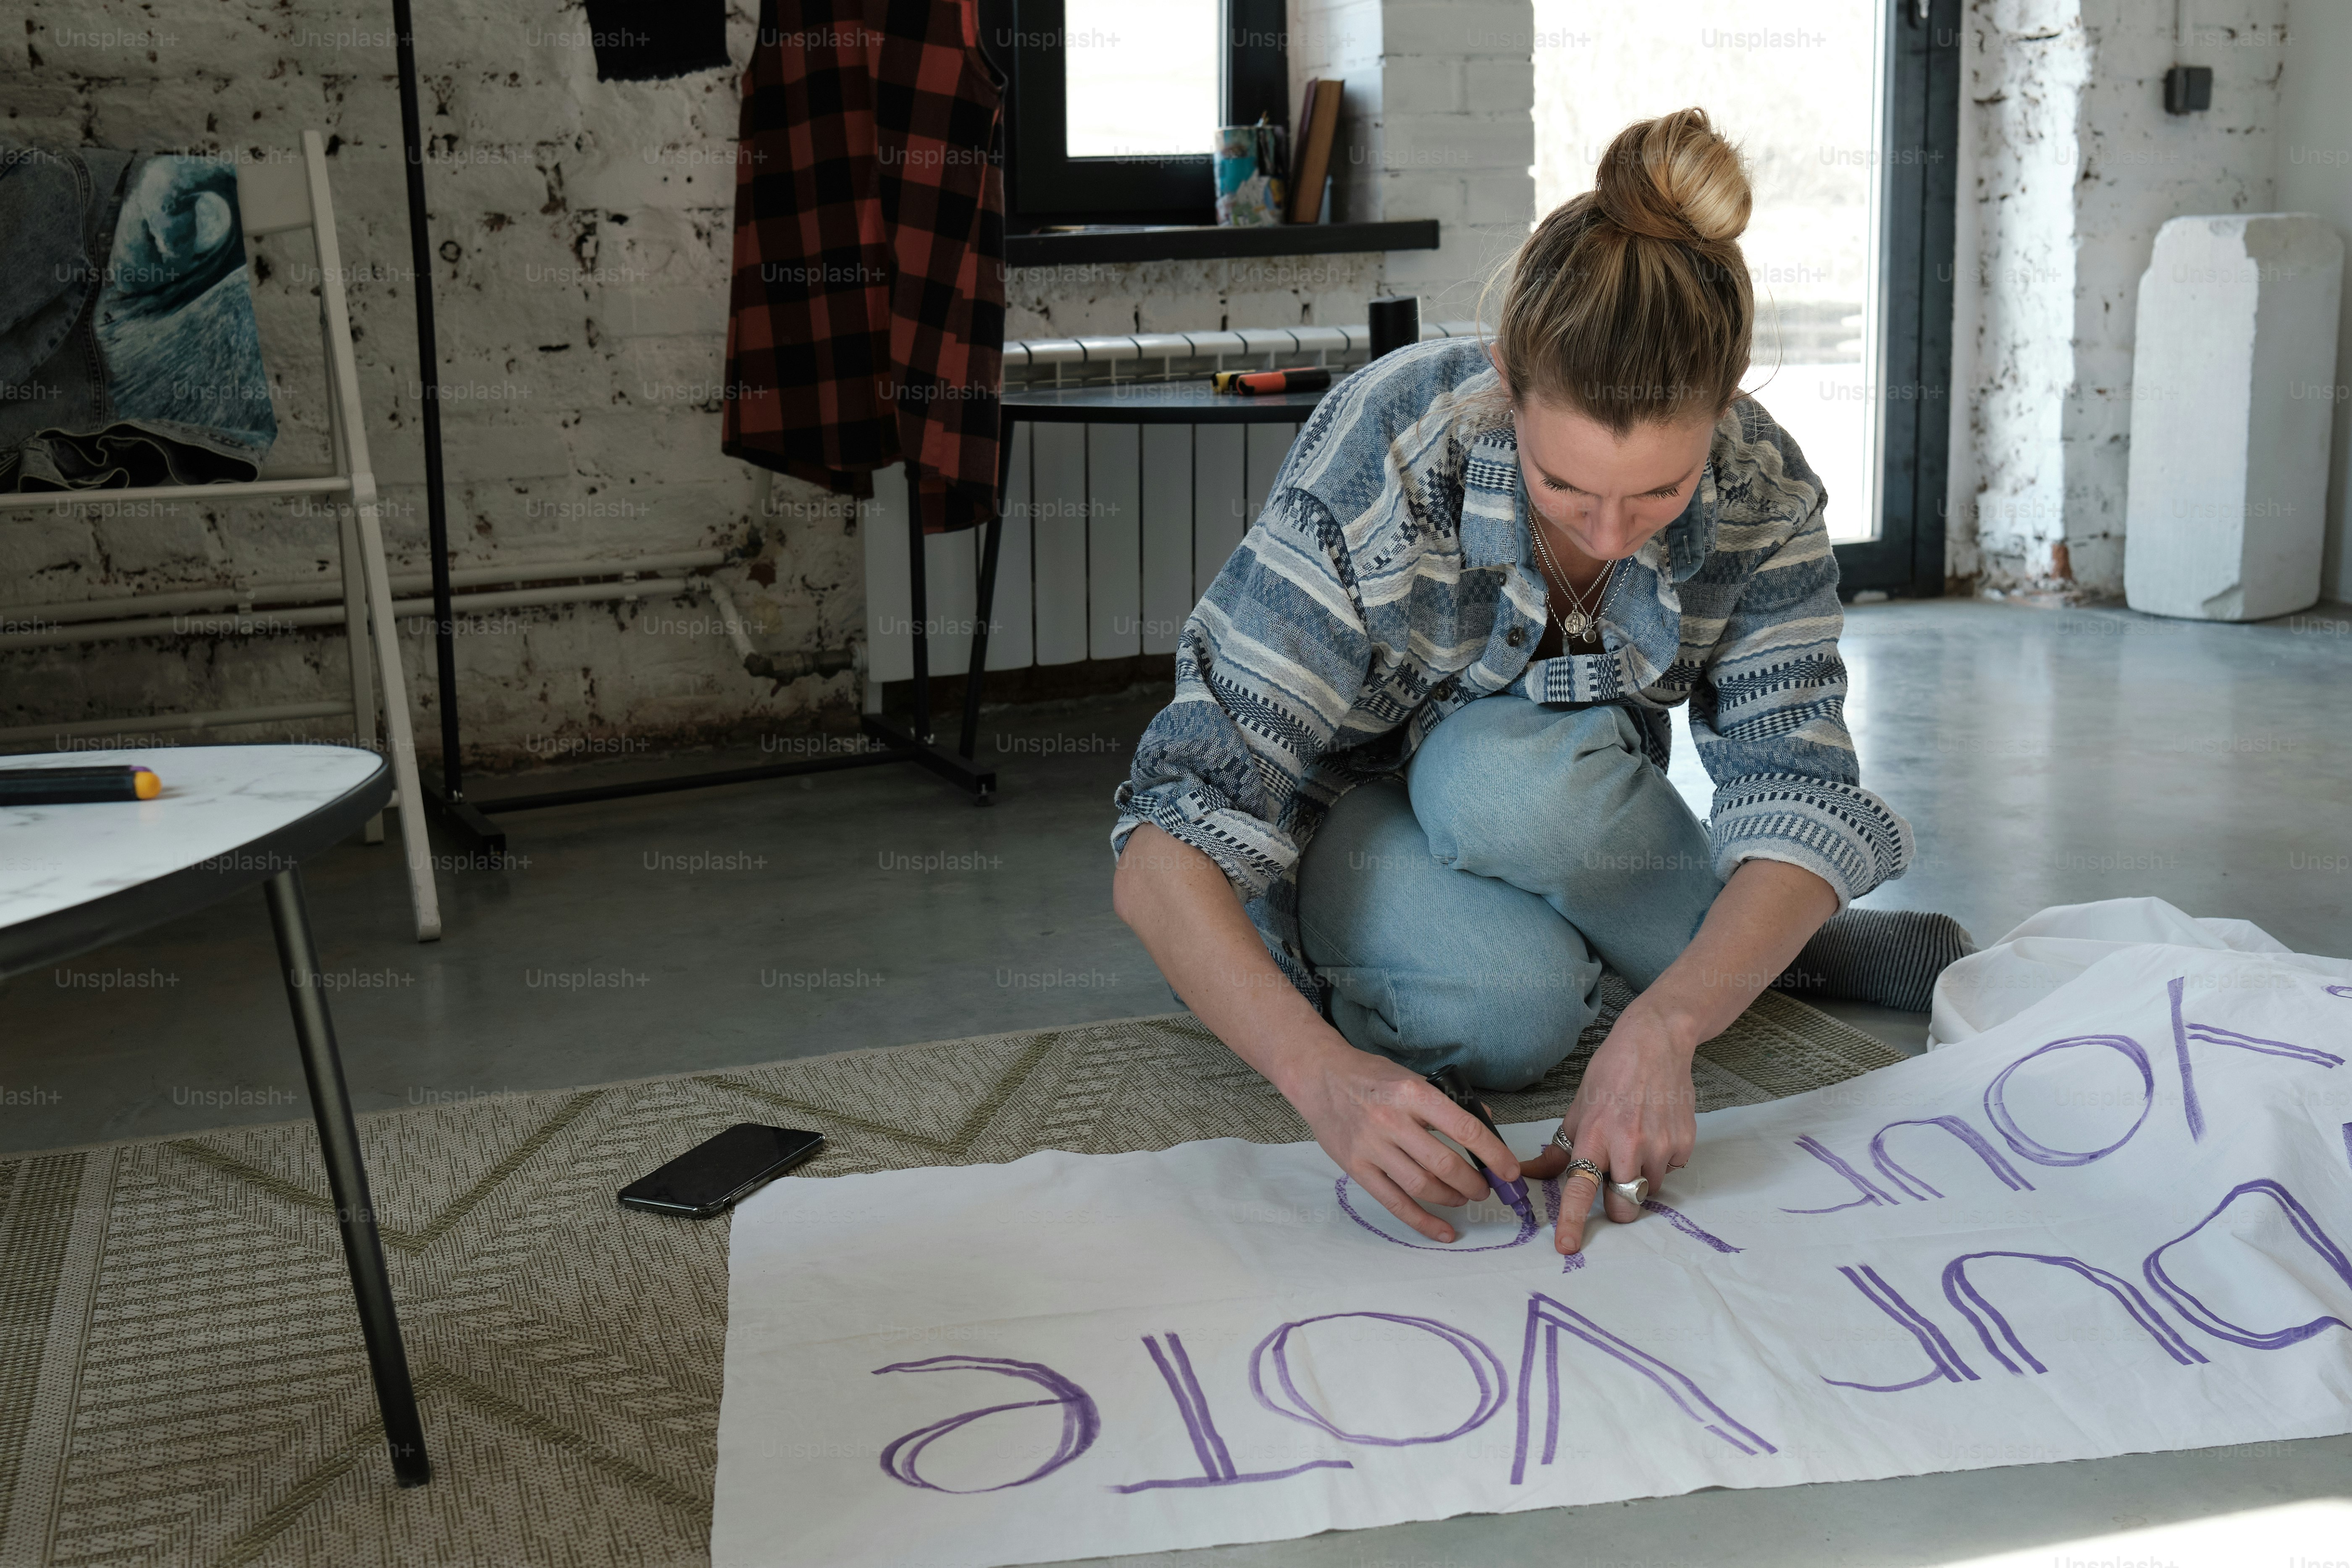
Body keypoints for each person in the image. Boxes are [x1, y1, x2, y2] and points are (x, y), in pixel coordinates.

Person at [1109, 109, 1915, 1256]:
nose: (1609, 528)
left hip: (1559, 803)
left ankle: (1697, 946)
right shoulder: (1385, 449)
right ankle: (1720, 939)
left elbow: (1802, 786)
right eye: (1565, 484)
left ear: (1727, 404)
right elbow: (1163, 846)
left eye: (1659, 493)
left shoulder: (1763, 486)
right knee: (1516, 1007)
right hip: (1352, 816)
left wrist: (1670, 1025)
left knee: (1507, 788)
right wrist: (1326, 1079)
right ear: (1507, 382)